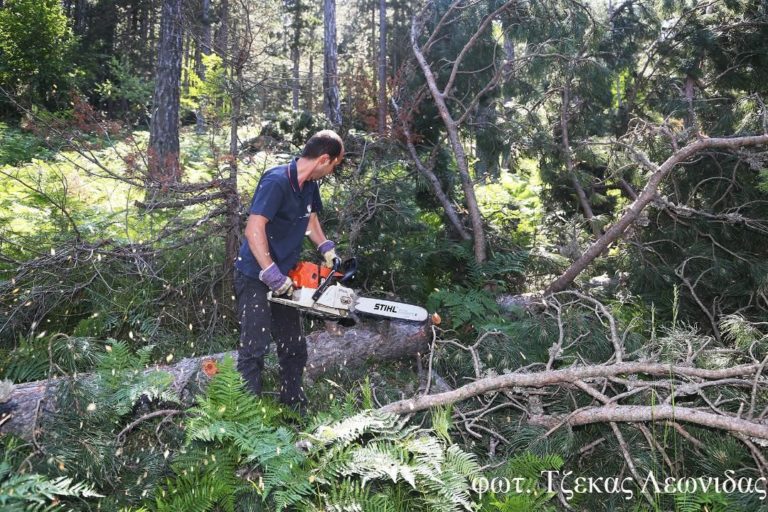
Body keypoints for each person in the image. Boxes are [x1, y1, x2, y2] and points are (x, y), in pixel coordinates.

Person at [234, 130, 344, 410]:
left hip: (288, 277)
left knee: (294, 345)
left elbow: (311, 221)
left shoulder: (309, 186)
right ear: (323, 159)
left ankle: (292, 403)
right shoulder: (276, 181)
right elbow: (253, 228)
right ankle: (246, 417)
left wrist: (325, 247)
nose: (332, 171)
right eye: (333, 165)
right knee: (254, 348)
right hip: (256, 275)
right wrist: (270, 273)